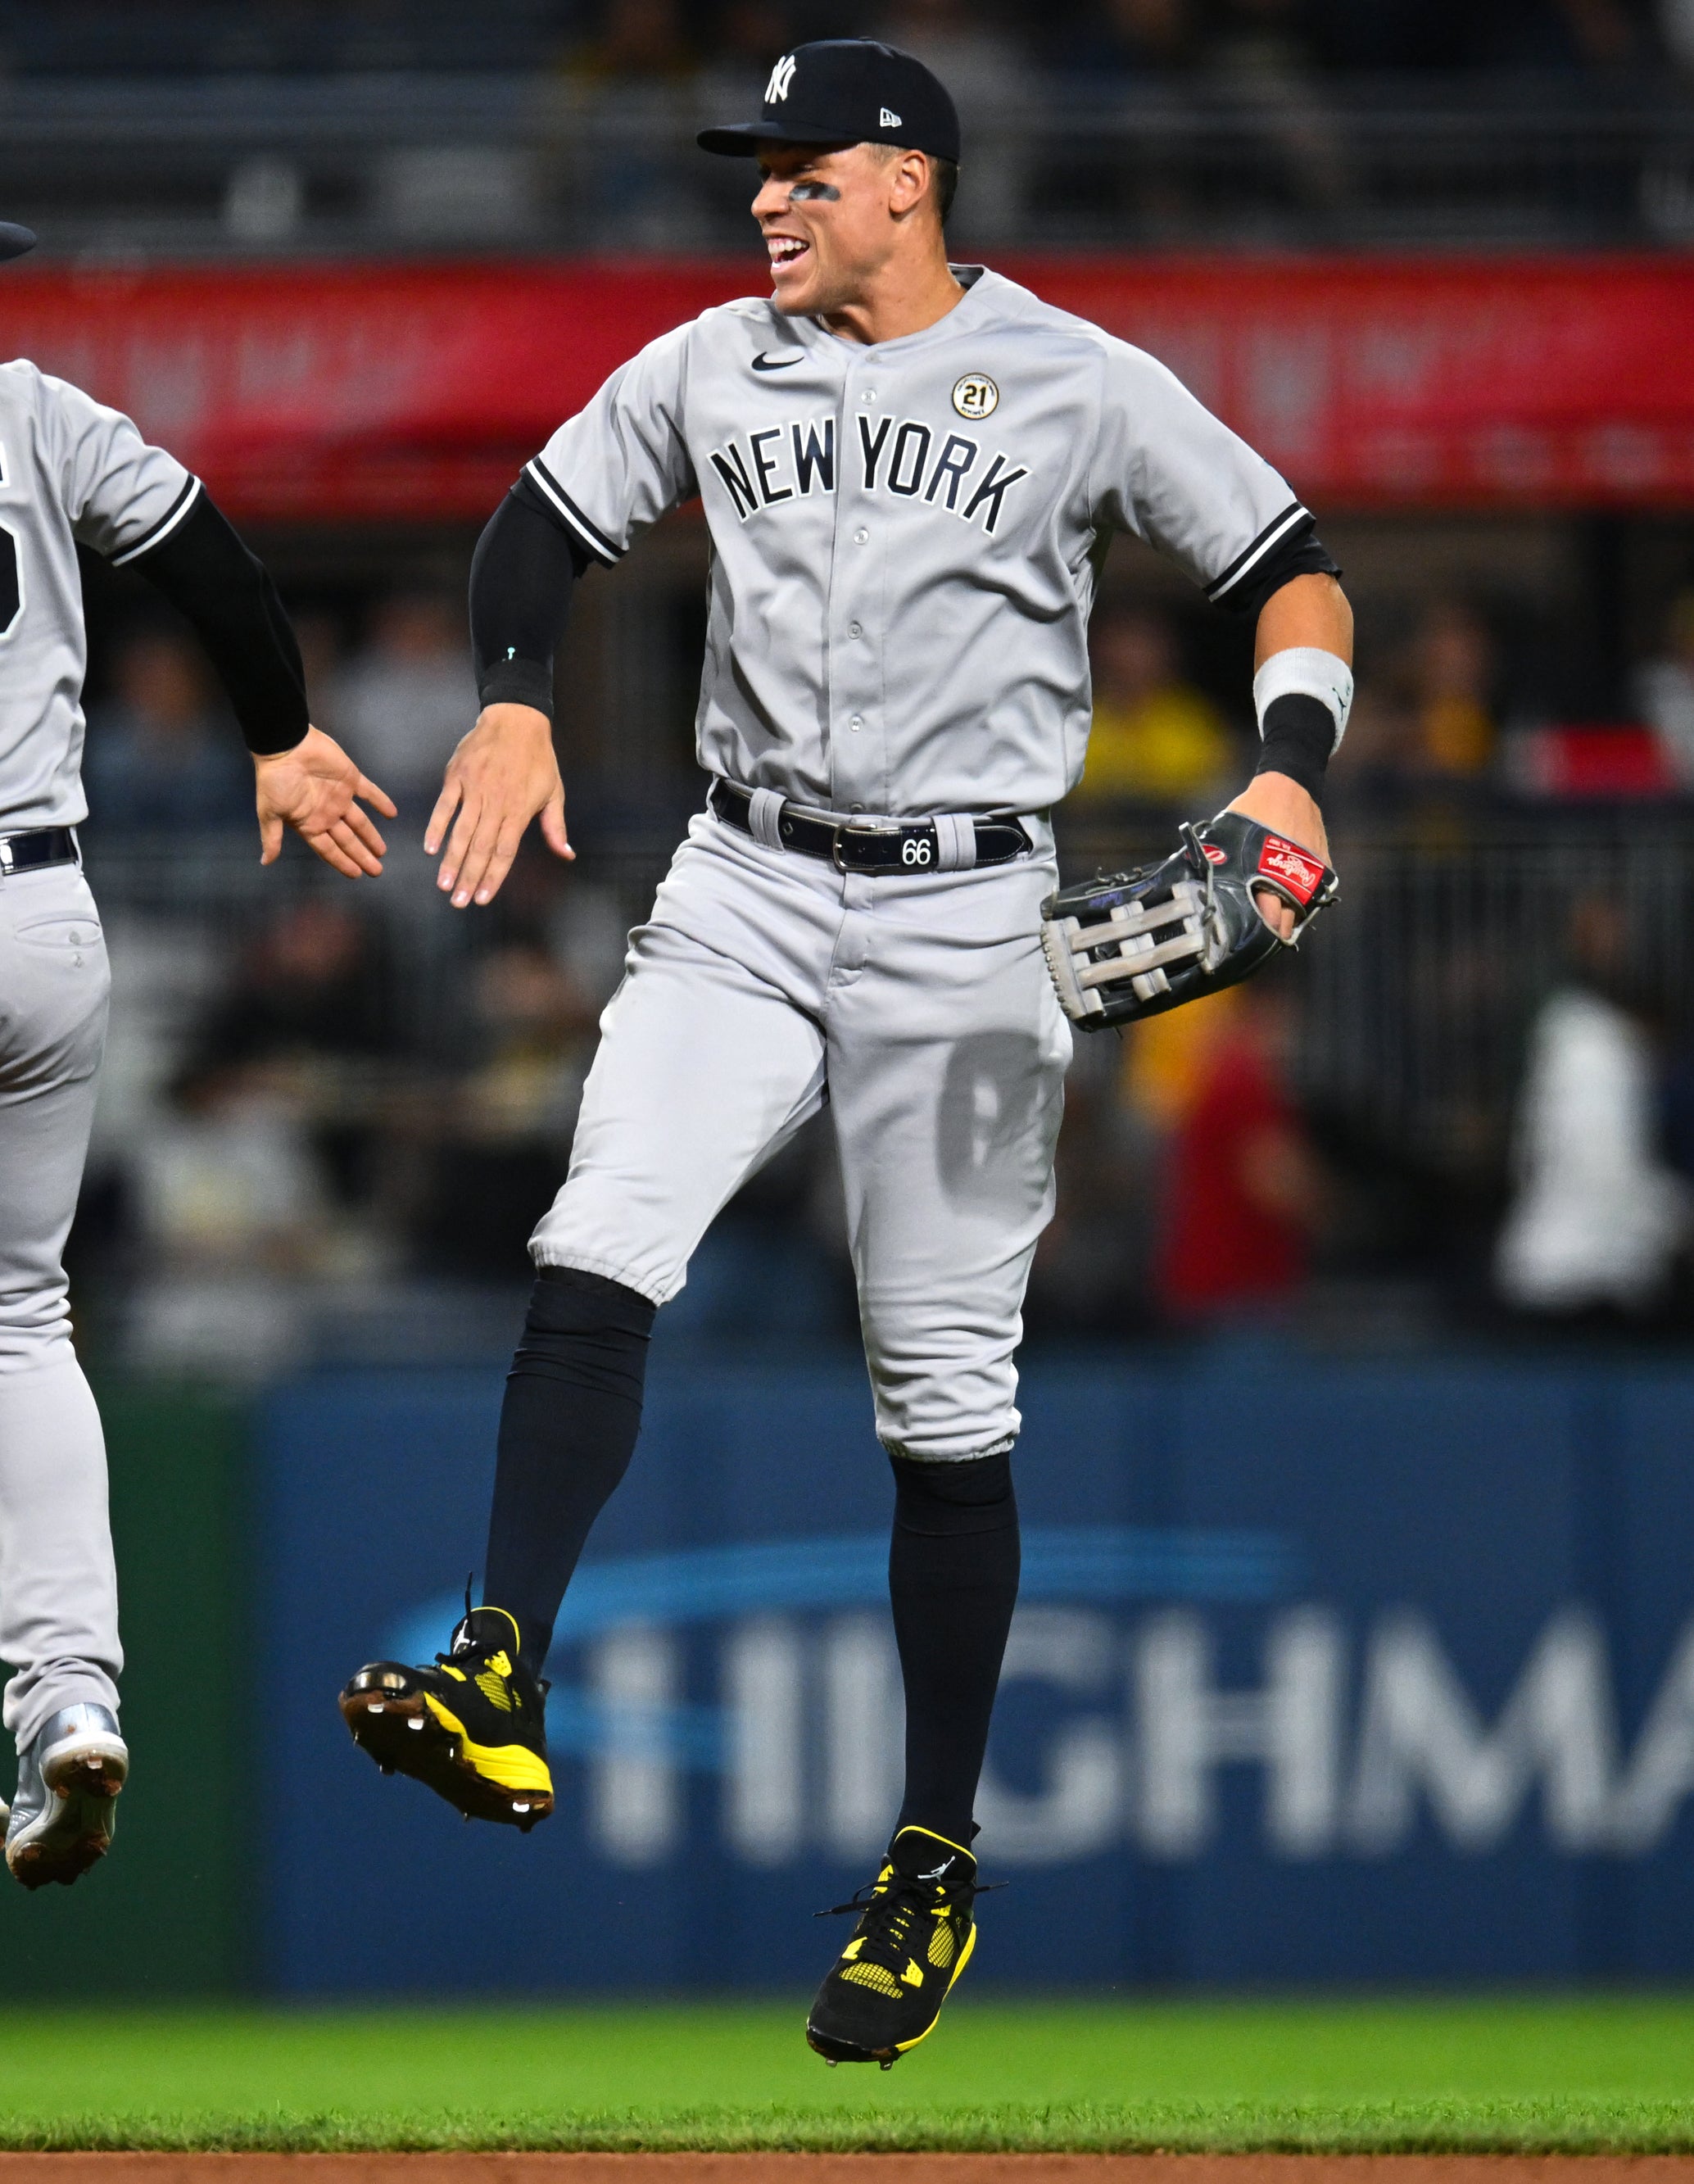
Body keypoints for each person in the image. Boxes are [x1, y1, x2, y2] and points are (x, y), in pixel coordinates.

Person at [337, 39, 1353, 2064]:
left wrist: (1295, 767)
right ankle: (500, 1662)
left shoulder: (1071, 375)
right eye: (758, 173)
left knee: (941, 1393)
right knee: (599, 1225)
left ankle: (931, 1856)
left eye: (800, 169)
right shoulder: (715, 361)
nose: (764, 202)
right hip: (743, 882)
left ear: (908, 177)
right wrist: (520, 696)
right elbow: (534, 528)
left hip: (971, 923)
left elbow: (1286, 564)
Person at [0, 220, 394, 1888]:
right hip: (39, 916)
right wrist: (282, 733)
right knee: (20, 1319)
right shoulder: (32, 409)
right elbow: (212, 562)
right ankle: (66, 1696)